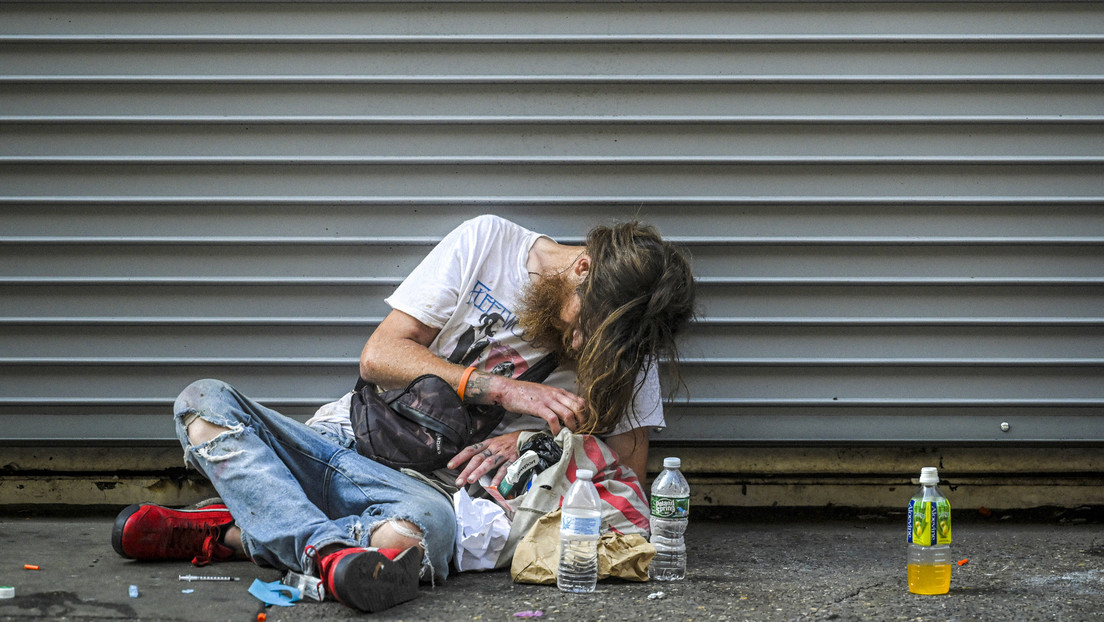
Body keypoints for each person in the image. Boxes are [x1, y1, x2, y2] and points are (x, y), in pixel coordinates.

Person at [111, 214, 695, 613]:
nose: (584, 340)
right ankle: (304, 543)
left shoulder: (624, 339)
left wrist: (527, 445)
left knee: (421, 536)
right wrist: (501, 391)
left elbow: (628, 469)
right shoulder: (487, 241)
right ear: (583, 267)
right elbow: (378, 356)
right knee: (203, 399)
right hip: (347, 438)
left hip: (427, 490)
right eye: (582, 321)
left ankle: (244, 529)